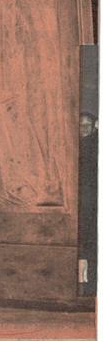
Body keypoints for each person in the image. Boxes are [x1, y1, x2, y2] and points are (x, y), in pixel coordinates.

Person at [78, 111, 98, 296]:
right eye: (80, 125)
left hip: (91, 201)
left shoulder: (95, 146)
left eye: (87, 126)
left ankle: (91, 288)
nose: (83, 129)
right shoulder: (74, 145)